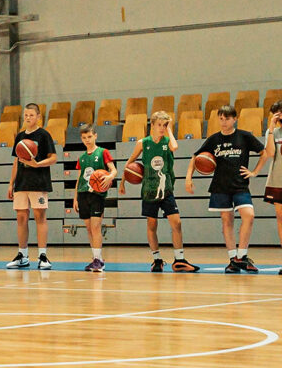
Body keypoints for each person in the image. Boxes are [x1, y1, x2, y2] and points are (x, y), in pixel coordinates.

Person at [186, 104, 267, 273]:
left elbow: (264, 153)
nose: (223, 122)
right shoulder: (214, 139)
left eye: (227, 119)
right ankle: (233, 259)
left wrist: (254, 172)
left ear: (235, 119)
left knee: (249, 216)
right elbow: (195, 156)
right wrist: (188, 178)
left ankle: (241, 255)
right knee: (226, 220)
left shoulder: (244, 136)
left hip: (240, 185)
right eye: (221, 119)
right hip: (220, 186)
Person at [120, 111, 199, 272]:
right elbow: (129, 163)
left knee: (176, 222)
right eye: (159, 125)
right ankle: (156, 259)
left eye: (165, 125)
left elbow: (175, 147)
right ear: (152, 125)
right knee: (152, 223)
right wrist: (122, 182)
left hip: (166, 188)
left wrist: (170, 129)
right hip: (149, 190)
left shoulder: (167, 141)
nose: (162, 128)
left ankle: (179, 259)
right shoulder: (143, 143)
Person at [6, 103, 57, 270]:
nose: (28, 118)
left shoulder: (44, 135)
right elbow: (16, 161)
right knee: (21, 218)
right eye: (26, 115)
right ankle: (23, 255)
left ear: (38, 117)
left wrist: (38, 164)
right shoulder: (20, 136)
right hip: (21, 183)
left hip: (38, 182)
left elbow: (53, 158)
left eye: (31, 115)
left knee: (39, 217)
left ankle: (42, 255)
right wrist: (11, 183)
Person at [72, 124, 116, 272]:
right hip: (83, 194)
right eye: (84, 138)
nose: (87, 140)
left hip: (97, 194)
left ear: (95, 135)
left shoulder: (103, 152)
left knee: (96, 227)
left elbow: (114, 170)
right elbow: (79, 178)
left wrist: (110, 176)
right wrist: (75, 198)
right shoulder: (82, 157)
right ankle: (96, 258)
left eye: (89, 137)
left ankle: (99, 261)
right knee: (89, 228)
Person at [262, 101, 282, 273]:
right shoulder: (272, 132)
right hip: (278, 180)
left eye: (281, 112)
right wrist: (271, 130)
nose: (279, 116)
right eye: (275, 113)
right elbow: (271, 153)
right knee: (281, 217)